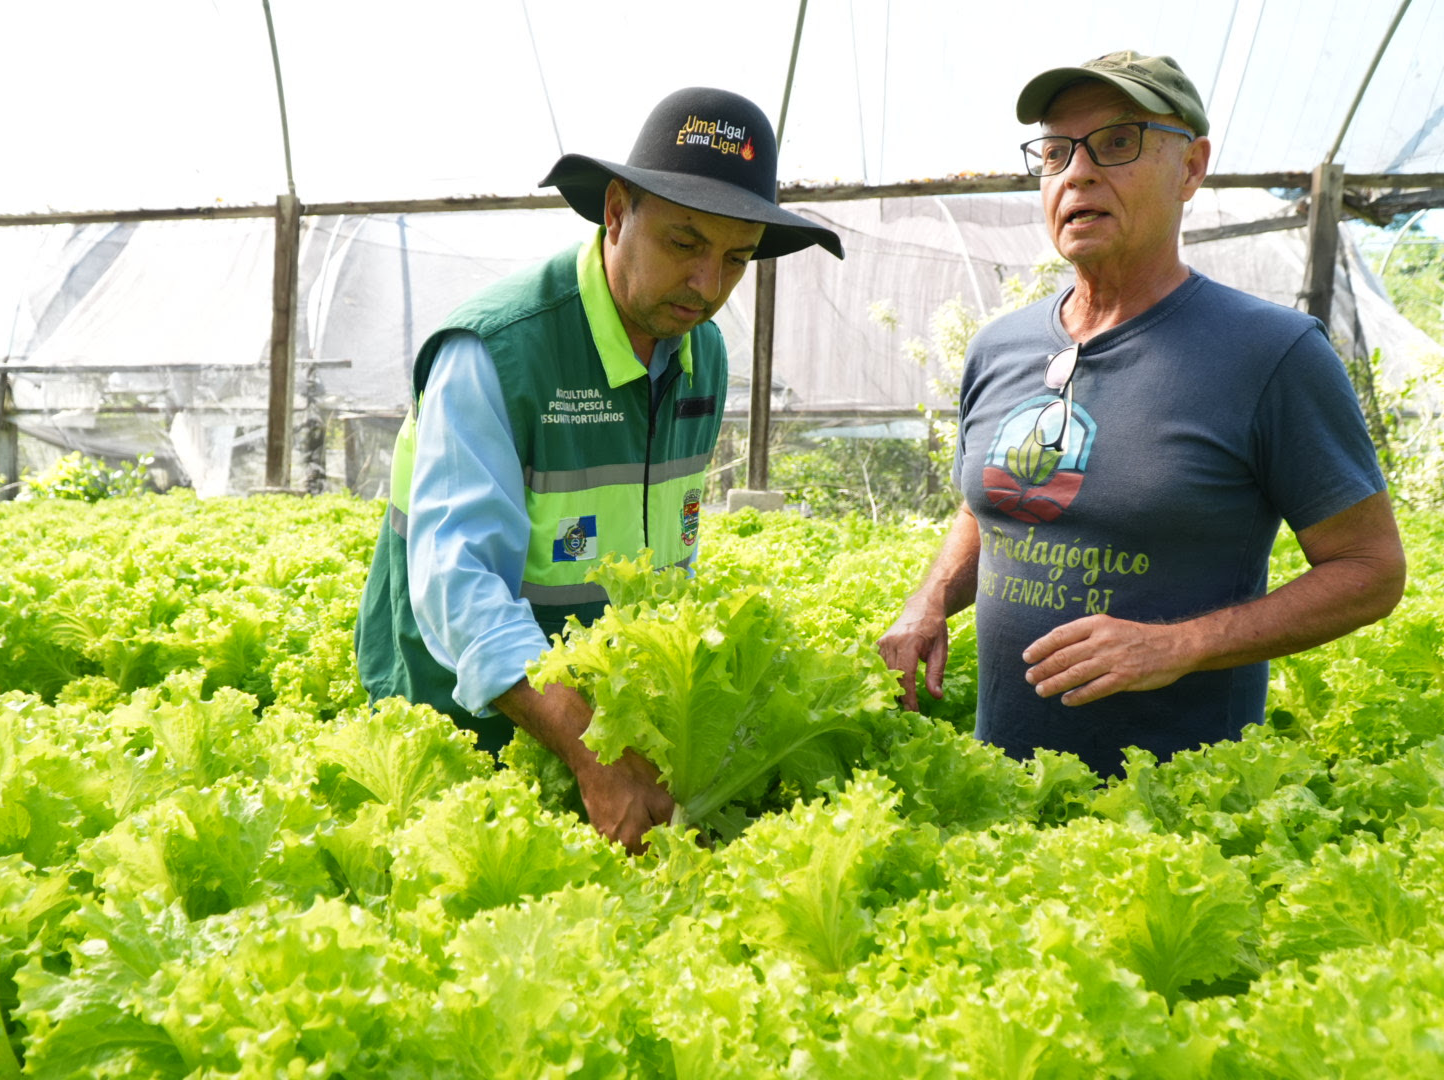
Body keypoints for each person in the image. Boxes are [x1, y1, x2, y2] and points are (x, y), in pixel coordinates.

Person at [877, 51, 1406, 779]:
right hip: (1006, 786)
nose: (1077, 173)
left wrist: (1176, 646)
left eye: (1117, 142)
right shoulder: (1001, 347)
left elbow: (1370, 569)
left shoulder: (1272, 355)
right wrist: (931, 598)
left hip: (1177, 805)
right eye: (1056, 152)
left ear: (1191, 167)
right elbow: (989, 505)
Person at [356, 87, 844, 851]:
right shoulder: (496, 353)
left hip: (600, 736)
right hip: (464, 731)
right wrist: (592, 748)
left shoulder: (703, 353)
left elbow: (662, 559)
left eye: (736, 258)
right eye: (684, 244)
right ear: (616, 214)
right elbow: (459, 582)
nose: (708, 285)